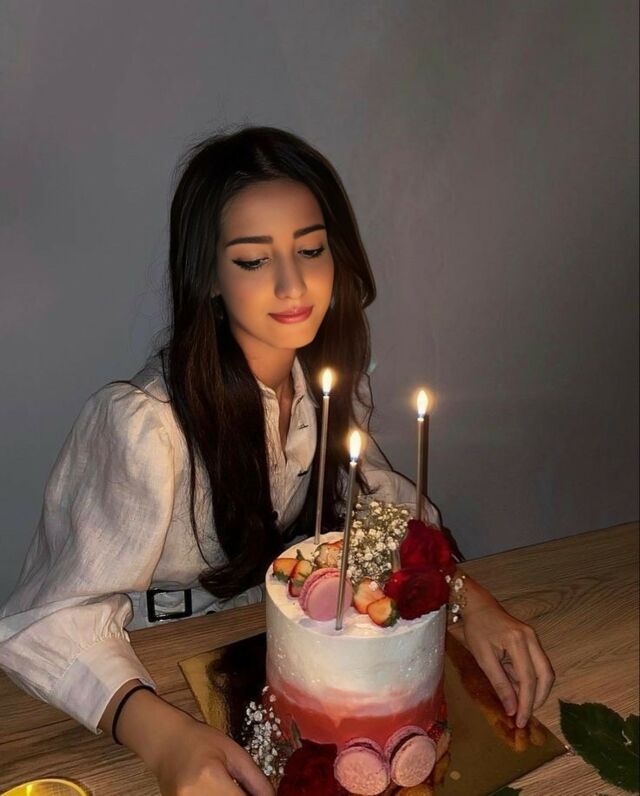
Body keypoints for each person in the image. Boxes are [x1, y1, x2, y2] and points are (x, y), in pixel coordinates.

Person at [0, 126, 554, 795]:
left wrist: (468, 598)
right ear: (209, 276)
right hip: (153, 671)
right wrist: (163, 736)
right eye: (254, 260)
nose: (294, 284)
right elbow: (42, 623)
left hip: (284, 654)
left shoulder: (323, 385)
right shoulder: (145, 428)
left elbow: (379, 508)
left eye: (311, 250)